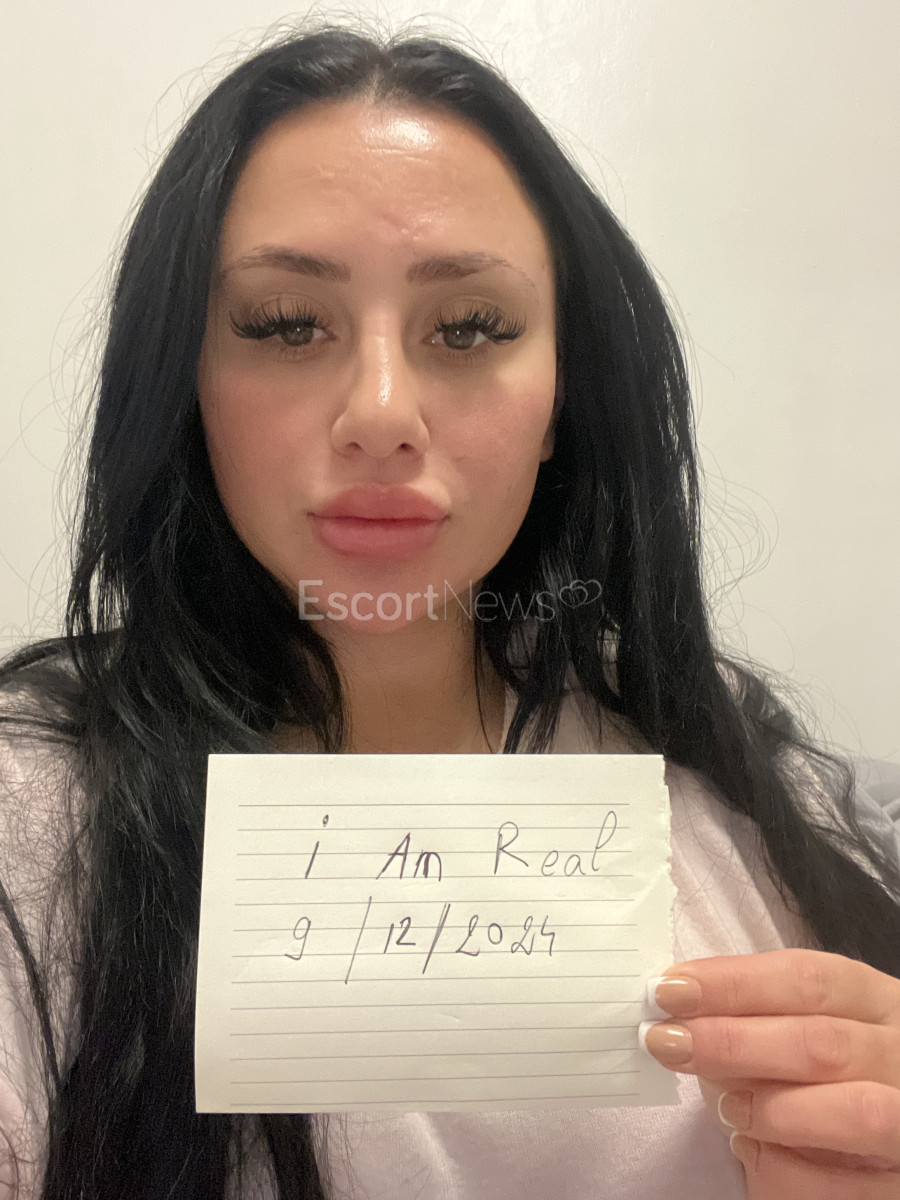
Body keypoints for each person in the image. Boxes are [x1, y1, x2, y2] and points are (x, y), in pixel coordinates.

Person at [0, 23, 898, 1200]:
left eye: (470, 328)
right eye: (285, 324)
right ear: (184, 383)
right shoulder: (37, 824)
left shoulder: (735, 774)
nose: (381, 412)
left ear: (564, 394)